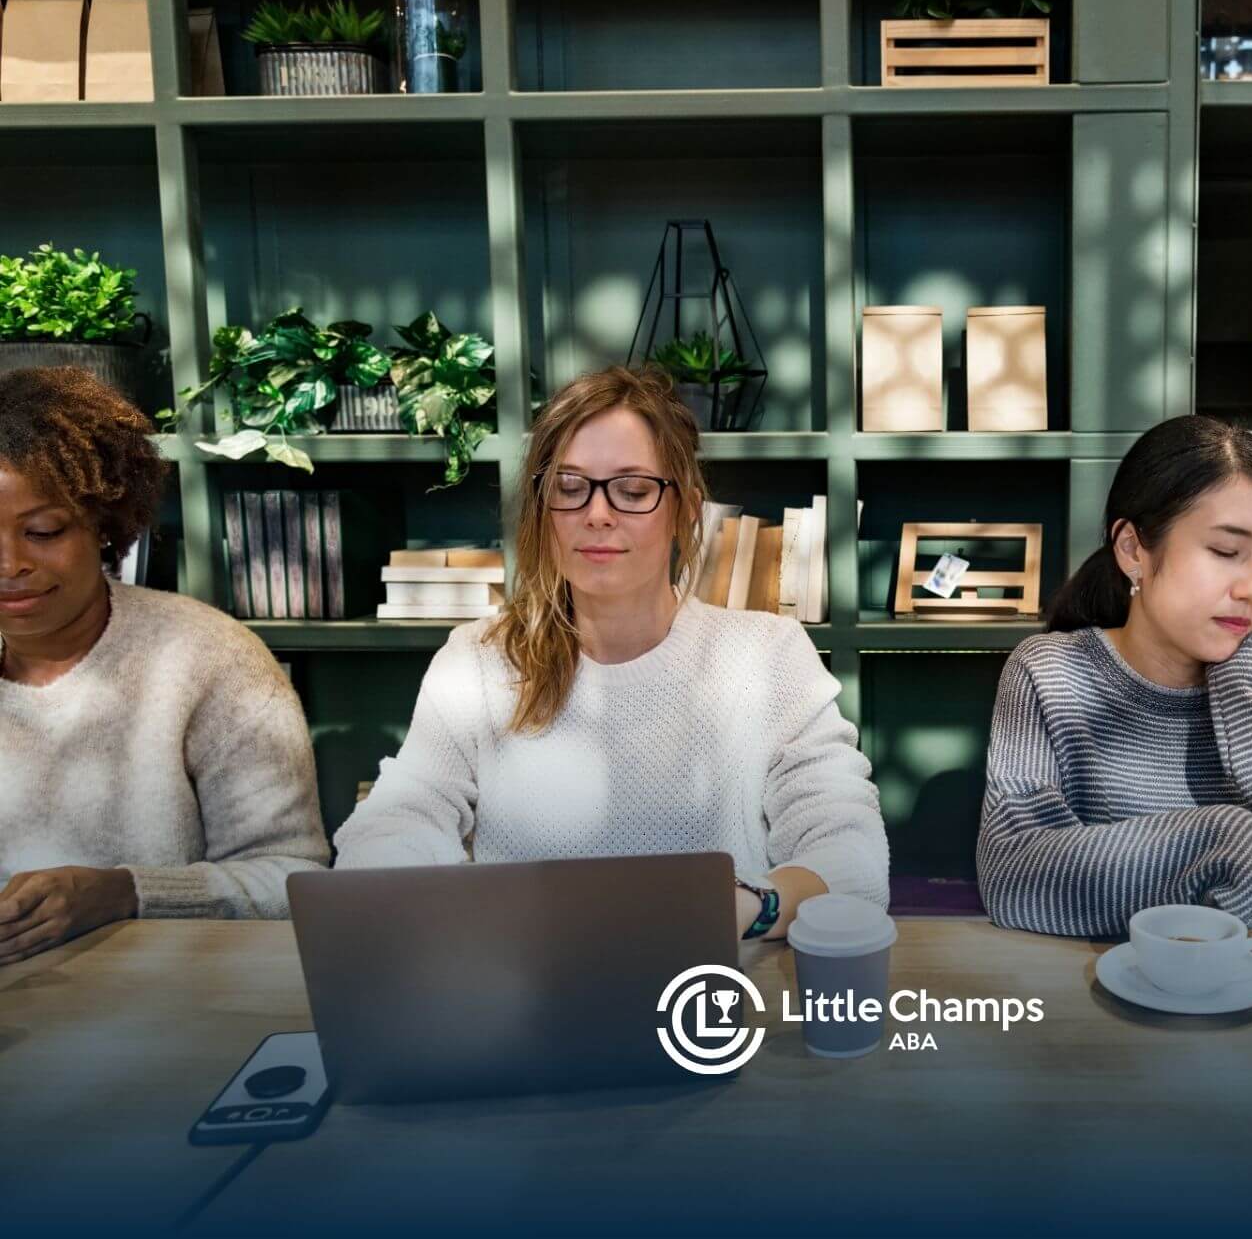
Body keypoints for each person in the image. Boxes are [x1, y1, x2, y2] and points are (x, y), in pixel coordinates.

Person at [332, 366, 889, 940]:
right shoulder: (478, 659)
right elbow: (397, 817)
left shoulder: (768, 655)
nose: (597, 512)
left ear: (686, 510)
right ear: (544, 509)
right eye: (571, 487)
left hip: (713, 998)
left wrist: (751, 907)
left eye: (633, 488)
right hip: (522, 994)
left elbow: (851, 854)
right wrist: (404, 889)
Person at [977, 416, 1252, 983]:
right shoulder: (1053, 673)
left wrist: (1247, 694)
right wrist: (1223, 841)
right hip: (1097, 1008)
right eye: (1226, 551)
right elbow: (1014, 874)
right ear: (1133, 550)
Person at [0, 366, 328, 965]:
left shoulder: (207, 658)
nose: (10, 563)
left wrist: (126, 893)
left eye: (43, 531)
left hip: (174, 1008)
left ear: (103, 523)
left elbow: (293, 880)